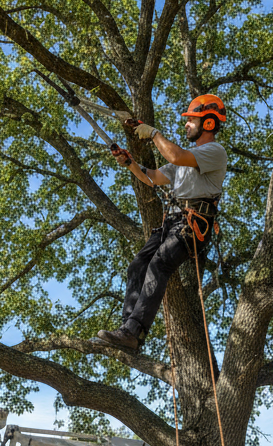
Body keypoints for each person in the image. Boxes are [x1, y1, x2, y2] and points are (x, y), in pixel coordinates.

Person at [97, 95, 229, 353]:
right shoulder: (184, 159)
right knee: (137, 265)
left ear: (209, 124)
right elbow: (154, 178)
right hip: (172, 223)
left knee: (159, 264)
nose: (186, 125)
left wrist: (154, 134)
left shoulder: (215, 152)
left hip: (193, 224)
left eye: (191, 120)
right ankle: (127, 330)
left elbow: (177, 156)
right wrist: (131, 163)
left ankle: (134, 332)